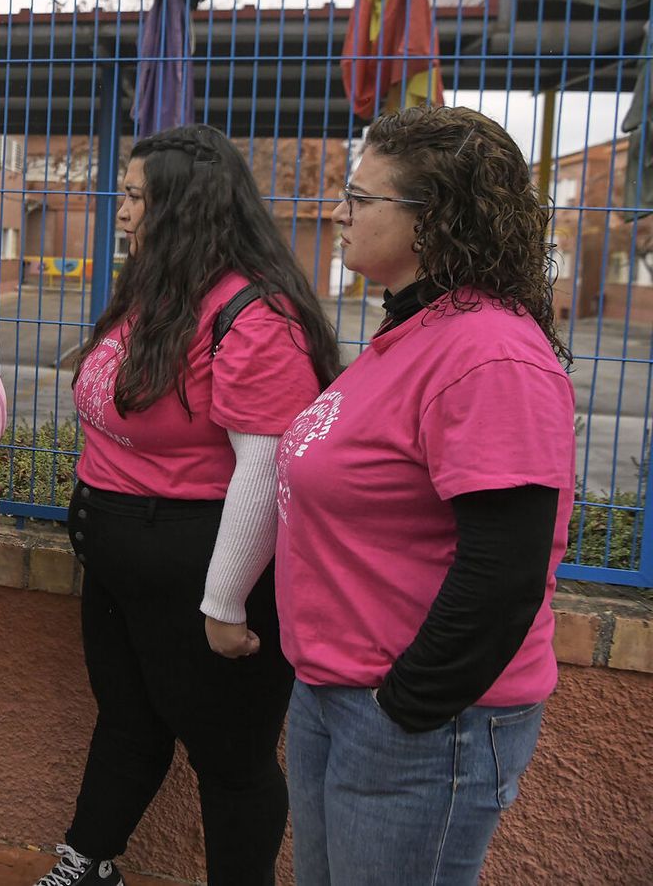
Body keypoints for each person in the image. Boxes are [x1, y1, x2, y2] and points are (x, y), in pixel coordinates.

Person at [34, 125, 341, 886]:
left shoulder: (255, 315)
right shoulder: (156, 290)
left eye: (138, 195)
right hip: (119, 558)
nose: (124, 209)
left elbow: (264, 466)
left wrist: (223, 600)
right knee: (128, 721)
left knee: (230, 758)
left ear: (187, 205)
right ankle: (89, 858)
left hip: (203, 569)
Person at [276, 105, 575, 885]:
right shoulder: (415, 333)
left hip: (415, 722)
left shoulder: (489, 354)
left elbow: (504, 571)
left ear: (430, 221)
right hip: (336, 693)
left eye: (359, 196)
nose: (337, 211)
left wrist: (404, 706)